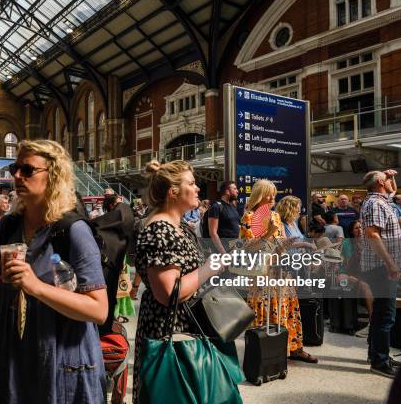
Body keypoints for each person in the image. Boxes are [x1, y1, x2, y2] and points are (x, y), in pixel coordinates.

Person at [0, 140, 108, 403]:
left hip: (58, 361)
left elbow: (98, 310)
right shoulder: (9, 226)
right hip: (9, 360)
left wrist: (37, 287)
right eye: (15, 168)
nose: (16, 175)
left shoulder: (73, 231)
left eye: (27, 170)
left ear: (53, 175)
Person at [132, 160, 232, 403]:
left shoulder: (180, 227)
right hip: (169, 332)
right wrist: (211, 267)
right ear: (173, 192)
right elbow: (168, 294)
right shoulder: (159, 229)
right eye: (192, 183)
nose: (198, 188)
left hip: (186, 328)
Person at [240, 180, 318, 363]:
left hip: (281, 271)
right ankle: (269, 352)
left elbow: (279, 245)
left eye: (274, 194)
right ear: (259, 195)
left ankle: (294, 347)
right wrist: (268, 234)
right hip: (262, 273)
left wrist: (287, 244)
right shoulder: (249, 217)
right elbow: (248, 249)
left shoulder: (275, 216)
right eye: (269, 194)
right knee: (266, 310)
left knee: (289, 308)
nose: (273, 198)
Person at [360, 169, 401, 378]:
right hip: (382, 267)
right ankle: (380, 361)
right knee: (386, 315)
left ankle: (378, 354)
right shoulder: (376, 203)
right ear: (379, 182)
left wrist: (391, 176)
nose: (390, 182)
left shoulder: (381, 199)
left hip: (379, 266)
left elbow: (393, 190)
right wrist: (391, 264)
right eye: (386, 179)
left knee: (380, 314)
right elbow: (372, 234)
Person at [341, 220, 374, 338]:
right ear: (351, 231)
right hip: (350, 273)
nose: (360, 230)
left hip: (365, 273)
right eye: (356, 228)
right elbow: (350, 265)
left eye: (361, 227)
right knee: (365, 287)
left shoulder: (368, 242)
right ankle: (372, 324)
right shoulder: (348, 243)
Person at [207, 180, 240, 254]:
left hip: (235, 248)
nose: (237, 191)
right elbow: (213, 233)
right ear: (227, 191)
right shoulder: (216, 207)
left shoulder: (232, 207)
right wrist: (223, 253)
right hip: (224, 250)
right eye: (234, 189)